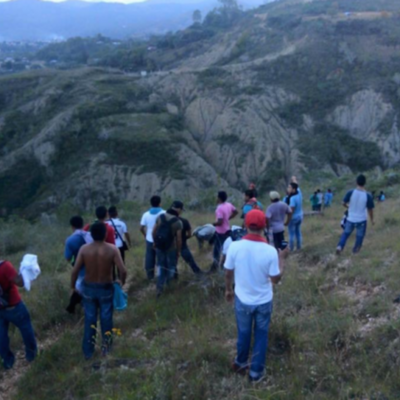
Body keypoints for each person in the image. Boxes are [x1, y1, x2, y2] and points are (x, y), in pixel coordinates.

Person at [224, 209, 288, 382]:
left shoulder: (234, 246)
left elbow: (228, 272)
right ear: (264, 226)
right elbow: (275, 280)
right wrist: (282, 259)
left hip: (242, 300)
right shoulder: (270, 251)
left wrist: (228, 290)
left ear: (245, 225)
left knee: (243, 332)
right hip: (263, 301)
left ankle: (241, 363)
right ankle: (256, 372)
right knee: (261, 334)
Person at [71, 222, 127, 360]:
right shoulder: (112, 249)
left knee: (90, 319)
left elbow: (75, 271)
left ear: (91, 234)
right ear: (106, 234)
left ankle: (88, 351)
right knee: (106, 318)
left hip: (89, 287)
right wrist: (121, 282)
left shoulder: (84, 249)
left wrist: (73, 287)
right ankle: (106, 349)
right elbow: (123, 270)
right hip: (105, 287)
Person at [0, 260, 37, 369]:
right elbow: (20, 282)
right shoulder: (4, 266)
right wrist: (24, 271)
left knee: (1, 335)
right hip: (14, 305)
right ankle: (32, 355)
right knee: (26, 328)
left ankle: (7, 362)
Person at [336, 174, 374, 255]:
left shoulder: (351, 192)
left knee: (346, 234)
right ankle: (355, 252)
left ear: (356, 182)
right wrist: (372, 220)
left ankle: (340, 246)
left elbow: (343, 203)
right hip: (362, 219)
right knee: (359, 236)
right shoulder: (367, 195)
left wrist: (348, 207)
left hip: (351, 218)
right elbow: (370, 209)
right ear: (365, 183)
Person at [152, 203, 183, 296]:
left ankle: (159, 288)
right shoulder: (178, 222)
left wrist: (155, 243)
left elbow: (154, 232)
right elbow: (178, 239)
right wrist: (178, 251)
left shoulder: (160, 217)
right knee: (171, 267)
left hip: (159, 246)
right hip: (171, 248)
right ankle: (170, 286)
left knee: (161, 266)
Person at [65, 216, 90, 314]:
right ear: (82, 224)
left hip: (80, 268)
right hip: (95, 266)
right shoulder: (90, 235)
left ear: (72, 226)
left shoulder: (70, 240)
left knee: (79, 288)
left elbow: (67, 257)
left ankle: (85, 308)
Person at [173, 201, 203, 276]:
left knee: (172, 265)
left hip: (170, 245)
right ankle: (199, 274)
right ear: (179, 209)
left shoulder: (165, 219)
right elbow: (189, 234)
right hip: (182, 245)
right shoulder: (184, 221)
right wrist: (184, 238)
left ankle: (174, 278)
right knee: (190, 261)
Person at [210, 191, 238, 272]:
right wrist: (228, 218)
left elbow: (220, 222)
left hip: (220, 232)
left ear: (219, 198)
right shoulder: (228, 204)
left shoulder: (219, 208)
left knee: (217, 251)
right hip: (227, 230)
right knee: (226, 249)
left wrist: (212, 224)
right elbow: (236, 212)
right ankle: (224, 265)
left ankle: (215, 268)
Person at [140, 196, 165, 281]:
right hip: (161, 239)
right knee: (161, 257)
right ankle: (161, 276)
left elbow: (141, 228)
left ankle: (150, 276)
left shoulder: (146, 214)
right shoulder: (164, 213)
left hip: (149, 239)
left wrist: (145, 235)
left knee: (149, 257)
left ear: (151, 204)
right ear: (160, 203)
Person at [286, 182, 303, 251]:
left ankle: (291, 249)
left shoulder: (292, 198)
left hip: (293, 218)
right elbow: (298, 187)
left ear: (294, 189)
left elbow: (291, 210)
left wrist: (288, 220)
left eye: (289, 187)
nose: (288, 189)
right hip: (300, 216)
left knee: (291, 234)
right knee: (298, 232)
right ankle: (299, 247)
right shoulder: (299, 194)